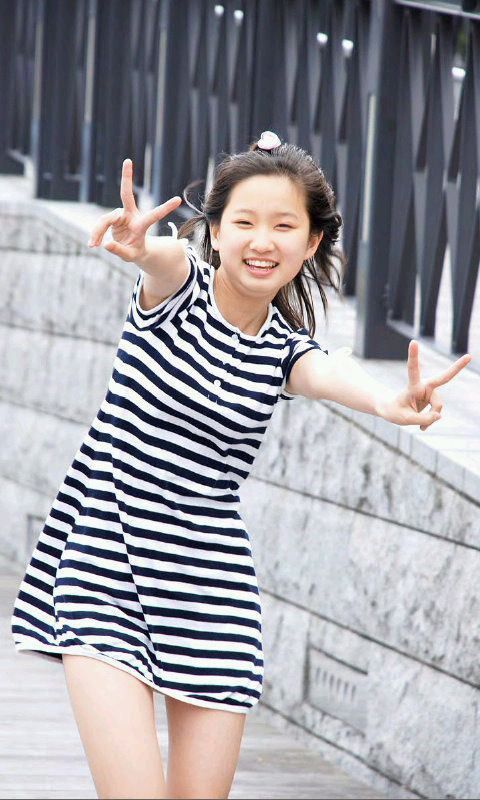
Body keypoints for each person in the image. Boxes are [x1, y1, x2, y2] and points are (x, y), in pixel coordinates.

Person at [10, 131, 472, 799]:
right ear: (216, 230)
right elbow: (162, 260)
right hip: (105, 570)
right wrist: (142, 247)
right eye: (245, 222)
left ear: (311, 242)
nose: (263, 241)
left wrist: (388, 401)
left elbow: (330, 375)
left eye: (285, 225)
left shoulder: (285, 350)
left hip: (212, 590)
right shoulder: (179, 291)